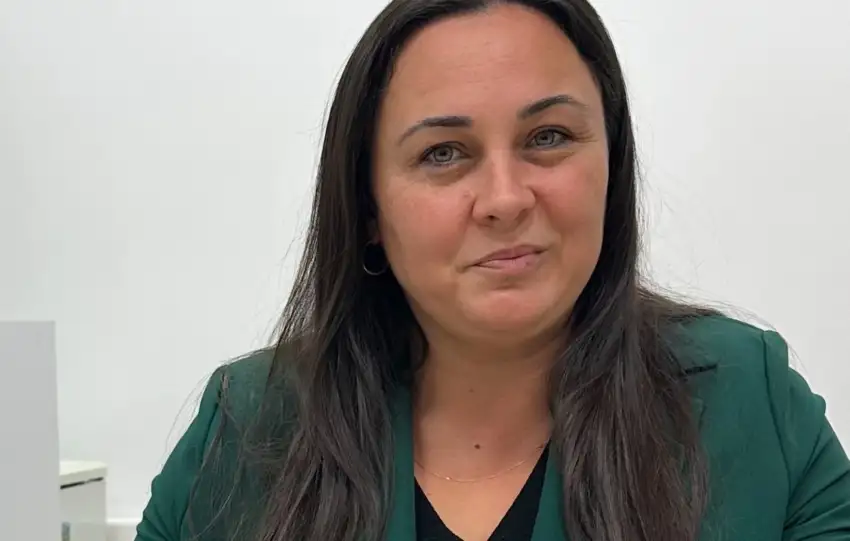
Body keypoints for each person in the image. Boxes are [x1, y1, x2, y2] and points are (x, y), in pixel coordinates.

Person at [134, 1, 850, 540]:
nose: (506, 199)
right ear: (369, 207)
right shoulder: (246, 427)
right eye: (443, 153)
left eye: (549, 136)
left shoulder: (748, 398)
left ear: (612, 166)